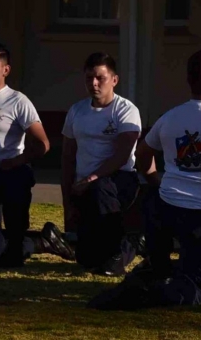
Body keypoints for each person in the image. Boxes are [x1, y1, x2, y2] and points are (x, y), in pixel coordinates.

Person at [89, 50, 201, 309]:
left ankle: (145, 281)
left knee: (163, 270)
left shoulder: (170, 118)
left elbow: (142, 153)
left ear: (189, 82)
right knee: (200, 287)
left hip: (164, 211)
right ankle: (143, 296)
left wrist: (156, 179)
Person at [0, 42, 74, 268]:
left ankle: (20, 243)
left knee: (19, 180)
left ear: (5, 69)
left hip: (7, 177)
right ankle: (41, 241)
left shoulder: (17, 101)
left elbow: (43, 144)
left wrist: (16, 161)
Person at [61, 52, 142, 276]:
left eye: (100, 78)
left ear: (114, 80)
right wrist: (68, 202)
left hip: (118, 181)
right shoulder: (77, 111)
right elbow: (67, 158)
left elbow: (123, 154)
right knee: (86, 259)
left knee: (101, 188)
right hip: (85, 186)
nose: (94, 83)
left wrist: (92, 178)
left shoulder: (126, 110)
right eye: (89, 78)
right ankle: (125, 244)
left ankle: (121, 252)